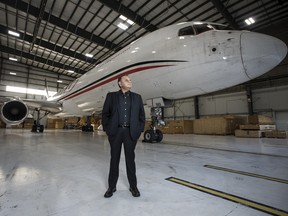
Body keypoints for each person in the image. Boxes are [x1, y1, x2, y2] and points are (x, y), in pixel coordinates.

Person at [102, 75, 146, 198]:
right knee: (114, 159)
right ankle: (112, 187)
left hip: (130, 133)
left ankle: (133, 186)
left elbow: (142, 117)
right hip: (115, 132)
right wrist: (108, 129)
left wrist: (138, 131)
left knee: (130, 160)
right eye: (126, 80)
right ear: (119, 83)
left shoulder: (137, 97)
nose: (129, 81)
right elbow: (105, 114)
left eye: (130, 80)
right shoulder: (111, 97)